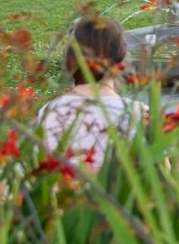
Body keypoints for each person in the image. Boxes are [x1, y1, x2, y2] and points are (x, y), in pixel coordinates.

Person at [36, 16, 143, 171]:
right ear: (121, 61)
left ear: (70, 59)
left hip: (68, 194)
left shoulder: (50, 112)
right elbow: (164, 184)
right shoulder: (138, 115)